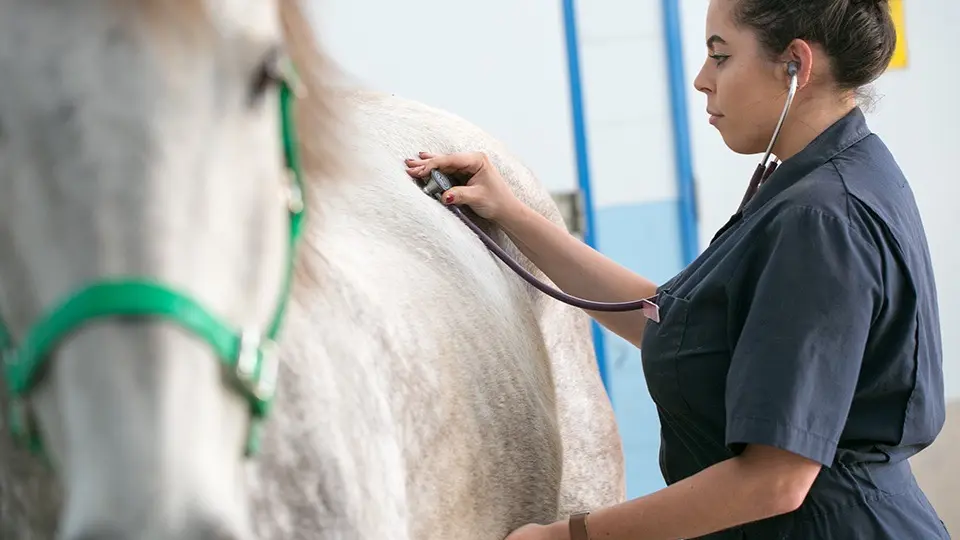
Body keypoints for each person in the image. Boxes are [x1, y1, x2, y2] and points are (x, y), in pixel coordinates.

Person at [404, 0, 949, 538]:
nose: (700, 81)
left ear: (795, 66)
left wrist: (567, 537)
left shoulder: (821, 219)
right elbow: (667, 322)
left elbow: (775, 480)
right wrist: (515, 214)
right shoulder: (835, 176)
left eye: (720, 56)